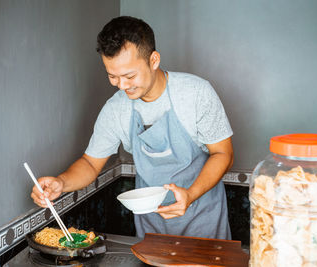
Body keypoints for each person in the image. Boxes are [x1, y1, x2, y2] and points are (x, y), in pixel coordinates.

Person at [31, 16, 234, 240]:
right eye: (112, 76)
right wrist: (61, 182)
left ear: (153, 60)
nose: (122, 86)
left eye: (129, 76)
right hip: (151, 223)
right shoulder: (115, 109)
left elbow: (223, 153)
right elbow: (90, 163)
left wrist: (191, 194)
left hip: (202, 217)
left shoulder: (196, 93)